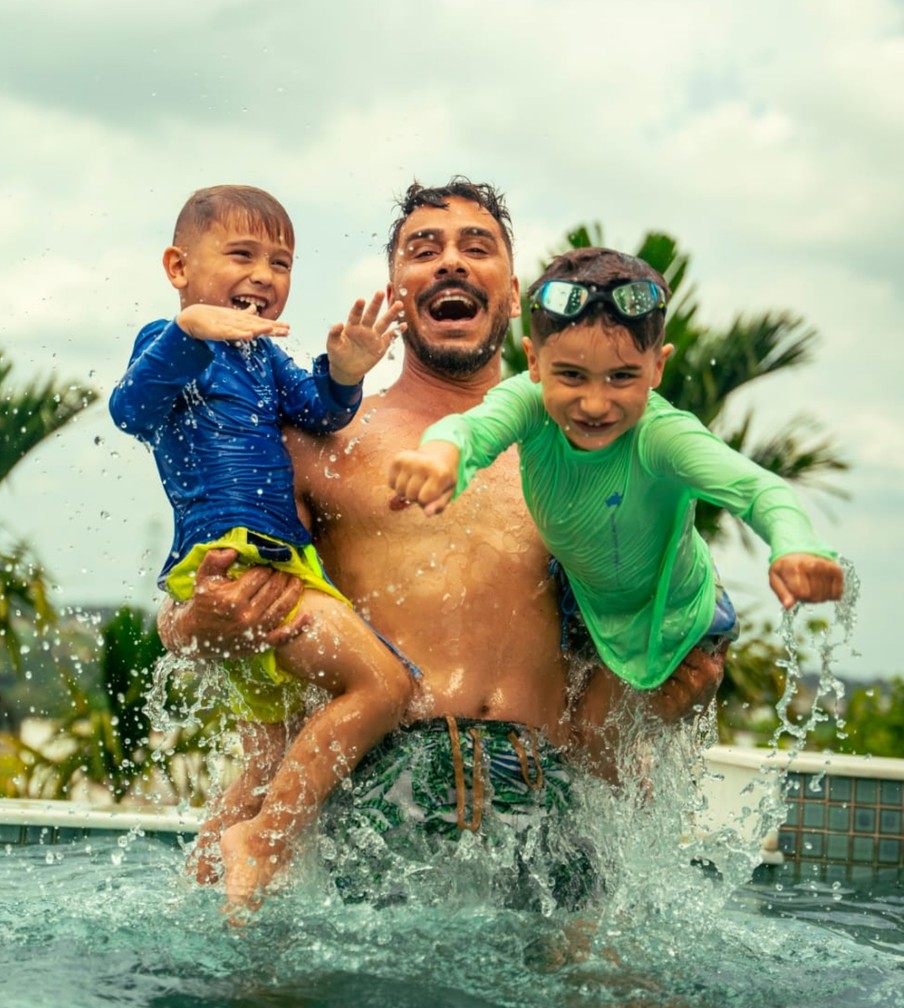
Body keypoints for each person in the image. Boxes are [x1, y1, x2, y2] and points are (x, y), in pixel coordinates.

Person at [158, 182, 726, 909]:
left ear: (514, 293)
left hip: (548, 806)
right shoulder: (324, 445)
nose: (451, 263)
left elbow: (613, 680)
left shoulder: (585, 456)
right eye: (424, 250)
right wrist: (198, 620)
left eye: (476, 247)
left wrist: (665, 698)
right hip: (377, 803)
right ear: (396, 290)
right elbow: (184, 608)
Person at [389, 246, 844, 733]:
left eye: (622, 377)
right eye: (571, 375)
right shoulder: (528, 400)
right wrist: (440, 457)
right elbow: (470, 430)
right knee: (558, 729)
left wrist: (796, 547)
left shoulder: (662, 435)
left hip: (680, 620)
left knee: (595, 747)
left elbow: (760, 491)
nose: (594, 402)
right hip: (587, 600)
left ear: (657, 368)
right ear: (534, 361)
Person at [110, 184, 412, 906]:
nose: (265, 276)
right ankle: (266, 837)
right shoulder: (169, 341)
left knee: (272, 745)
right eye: (241, 254)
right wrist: (191, 330)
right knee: (384, 685)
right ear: (178, 265)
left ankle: (204, 893)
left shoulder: (264, 360)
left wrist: (346, 370)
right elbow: (131, 408)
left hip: (276, 558)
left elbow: (322, 413)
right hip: (236, 557)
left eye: (281, 263)